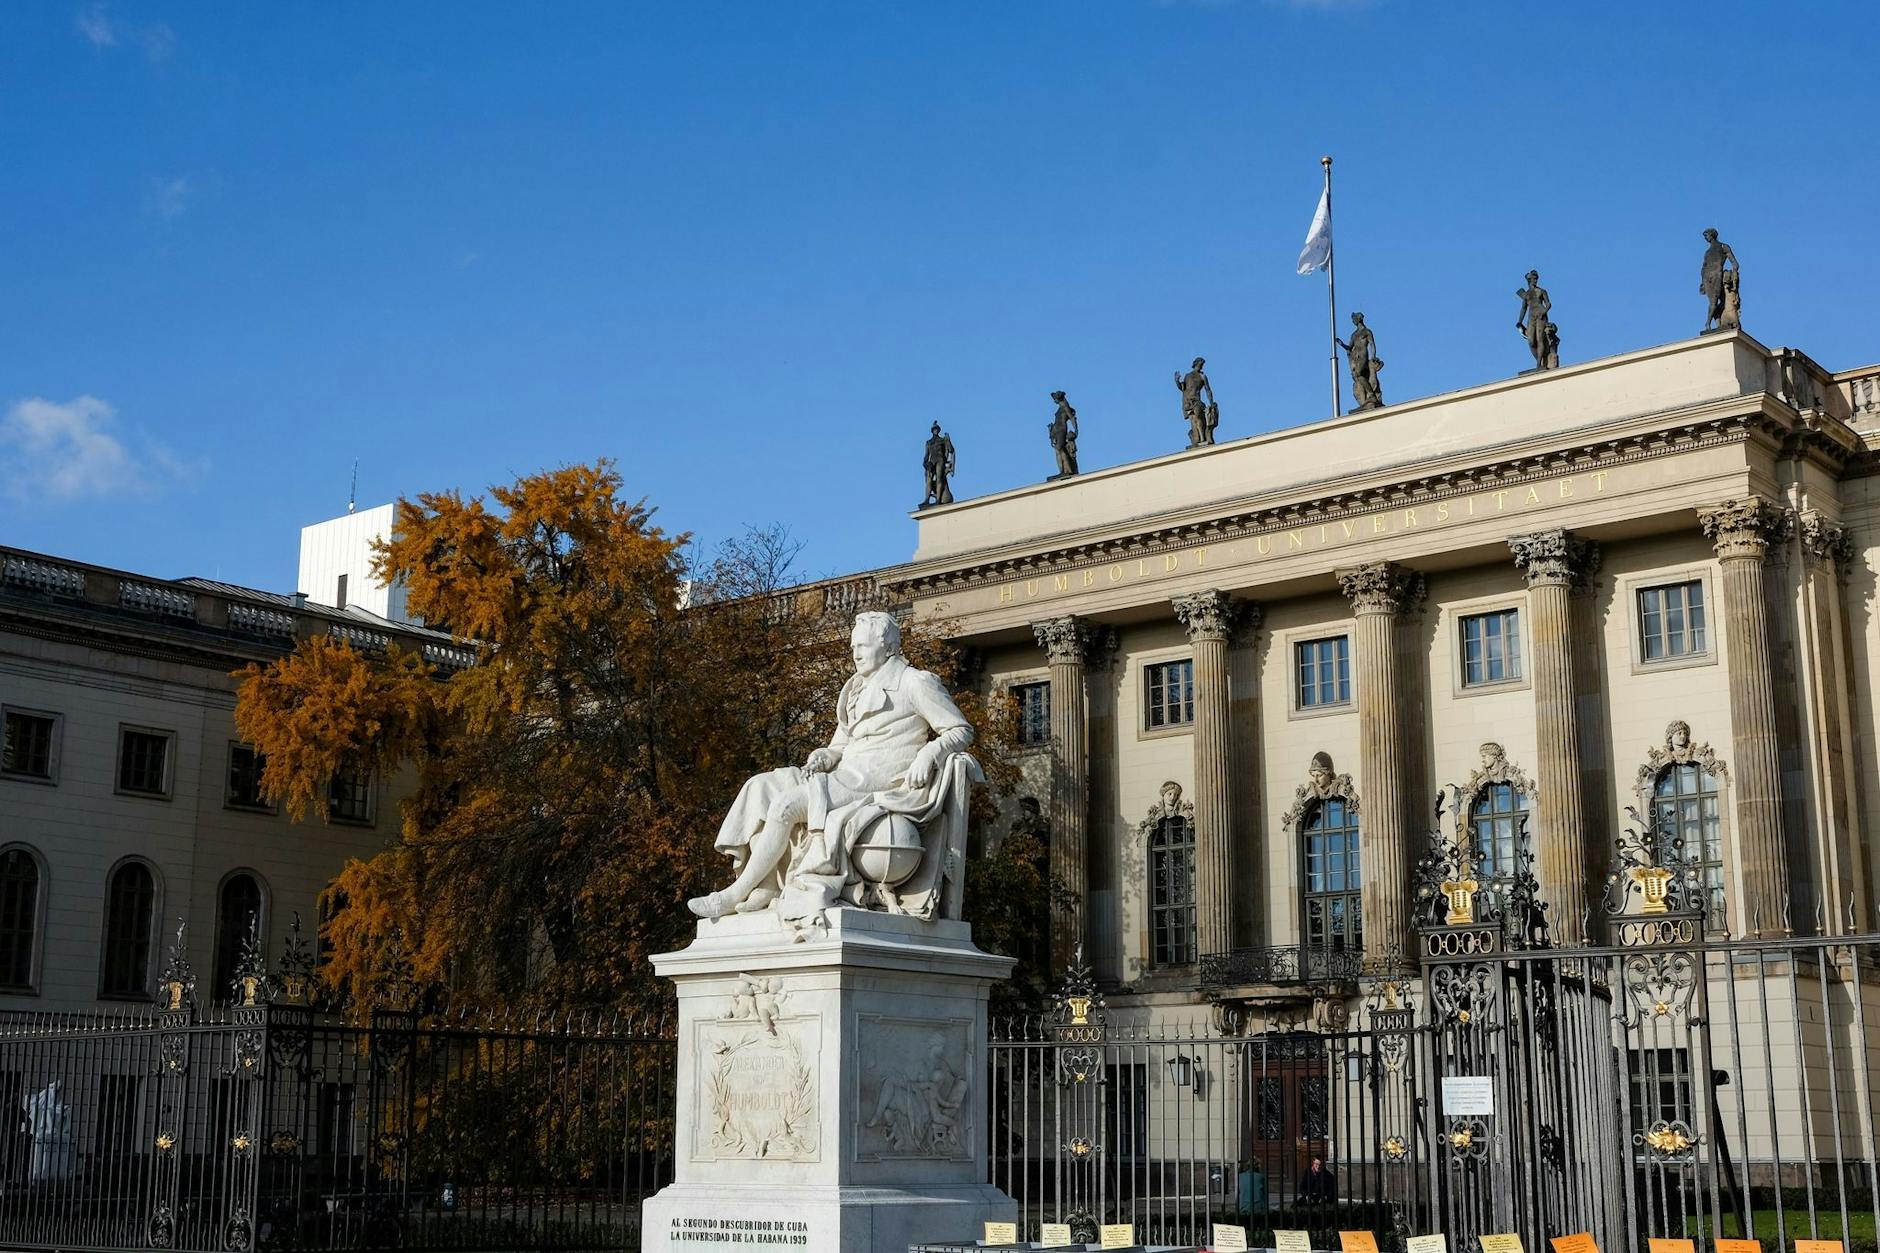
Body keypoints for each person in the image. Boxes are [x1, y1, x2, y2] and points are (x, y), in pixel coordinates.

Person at [688, 611, 975, 920]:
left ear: (889, 646)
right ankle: (767, 886)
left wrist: (930, 753)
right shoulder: (855, 689)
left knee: (786, 806)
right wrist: (823, 756)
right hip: (845, 774)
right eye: (853, 647)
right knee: (761, 787)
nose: (856, 653)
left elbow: (961, 730)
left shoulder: (914, 682)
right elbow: (839, 746)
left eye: (863, 646)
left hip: (880, 778)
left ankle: (733, 895)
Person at [1337, 312, 1384, 410]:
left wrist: (1373, 356)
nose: (1353, 321)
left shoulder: (1367, 331)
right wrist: (1341, 344)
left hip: (1363, 355)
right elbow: (1349, 347)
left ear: (1359, 319)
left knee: (1358, 374)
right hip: (1356, 358)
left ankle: (1371, 395)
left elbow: (1372, 344)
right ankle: (1369, 396)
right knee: (1358, 376)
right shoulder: (1354, 335)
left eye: (1354, 319)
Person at [1699, 228, 1739, 334]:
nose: (1706, 238)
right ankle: (1717, 324)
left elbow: (1734, 262)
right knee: (1713, 301)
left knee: (1715, 301)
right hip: (1707, 277)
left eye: (1706, 236)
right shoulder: (1707, 252)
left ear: (1712, 235)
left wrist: (1734, 273)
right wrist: (1702, 282)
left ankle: (1708, 323)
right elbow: (1704, 267)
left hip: (1717, 275)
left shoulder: (1723, 246)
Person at [1514, 271, 1553, 371]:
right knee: (1531, 341)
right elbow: (1523, 308)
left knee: (1540, 339)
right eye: (1534, 279)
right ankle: (1540, 360)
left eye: (1536, 279)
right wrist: (1519, 321)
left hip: (1540, 315)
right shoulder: (1526, 294)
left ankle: (1538, 364)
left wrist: (1543, 312)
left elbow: (1548, 304)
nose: (1536, 280)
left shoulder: (1542, 291)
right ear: (1529, 280)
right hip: (1531, 317)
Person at [1174, 357, 1217, 446]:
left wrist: (1211, 402)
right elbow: (1183, 388)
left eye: (1202, 364)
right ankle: (1197, 439)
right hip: (1188, 402)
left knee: (1198, 417)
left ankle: (1202, 438)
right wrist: (1177, 381)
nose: (1201, 365)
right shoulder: (1187, 376)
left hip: (1197, 401)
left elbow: (1208, 390)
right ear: (1196, 363)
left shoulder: (1202, 376)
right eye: (1201, 363)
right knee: (1193, 420)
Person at [921, 422, 955, 507]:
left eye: (937, 429)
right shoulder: (929, 442)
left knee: (939, 479)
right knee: (928, 481)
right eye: (934, 429)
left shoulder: (942, 440)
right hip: (932, 461)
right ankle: (926, 500)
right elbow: (926, 456)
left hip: (940, 460)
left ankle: (938, 500)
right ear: (932, 431)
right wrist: (925, 464)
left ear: (938, 430)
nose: (936, 431)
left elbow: (951, 450)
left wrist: (948, 440)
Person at [1048, 391, 1079, 477]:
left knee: (1060, 449)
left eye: (1055, 399)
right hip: (1056, 430)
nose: (1054, 401)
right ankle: (1062, 470)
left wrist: (1076, 430)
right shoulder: (1060, 407)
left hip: (1061, 430)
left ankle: (1067, 470)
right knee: (1057, 450)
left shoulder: (1065, 406)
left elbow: (1072, 418)